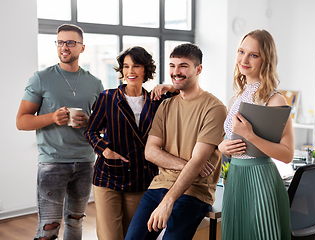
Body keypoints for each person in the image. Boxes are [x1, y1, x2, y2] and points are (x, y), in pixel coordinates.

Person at [124, 43, 227, 240]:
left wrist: (168, 201)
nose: (176, 72)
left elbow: (199, 161)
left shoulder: (214, 108)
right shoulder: (166, 105)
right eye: (172, 66)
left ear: (199, 69)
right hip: (159, 185)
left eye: (183, 66)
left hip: (194, 191)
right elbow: (150, 152)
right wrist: (187, 165)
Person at [16, 24, 104, 240]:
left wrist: (90, 121)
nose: (64, 47)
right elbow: (21, 121)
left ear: (82, 48)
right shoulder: (41, 78)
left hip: (85, 162)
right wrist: (52, 117)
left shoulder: (94, 83)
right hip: (52, 163)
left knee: (76, 221)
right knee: (49, 227)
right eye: (60, 42)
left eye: (71, 42)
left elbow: (105, 124)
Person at [84, 46, 178, 240]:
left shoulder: (156, 100)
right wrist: (105, 151)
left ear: (146, 70)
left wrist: (168, 87)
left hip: (141, 178)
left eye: (136, 66)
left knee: (133, 235)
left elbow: (184, 92)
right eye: (126, 66)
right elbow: (90, 131)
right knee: (110, 236)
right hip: (108, 176)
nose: (130, 71)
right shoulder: (108, 98)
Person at [218, 29, 294, 240]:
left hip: (261, 180)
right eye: (241, 51)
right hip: (234, 178)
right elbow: (228, 141)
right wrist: (221, 147)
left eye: (254, 55)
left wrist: (251, 136)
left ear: (266, 60)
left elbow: (287, 155)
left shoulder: (275, 100)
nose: (244, 59)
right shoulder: (236, 99)